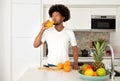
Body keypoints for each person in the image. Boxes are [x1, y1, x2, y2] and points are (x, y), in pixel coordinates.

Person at [33, 4, 79, 70]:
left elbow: (75, 49)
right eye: (52, 16)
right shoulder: (47, 31)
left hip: (65, 65)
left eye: (56, 15)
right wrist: (42, 29)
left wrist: (76, 63)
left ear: (63, 17)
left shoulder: (69, 32)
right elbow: (35, 45)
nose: (54, 18)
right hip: (51, 65)